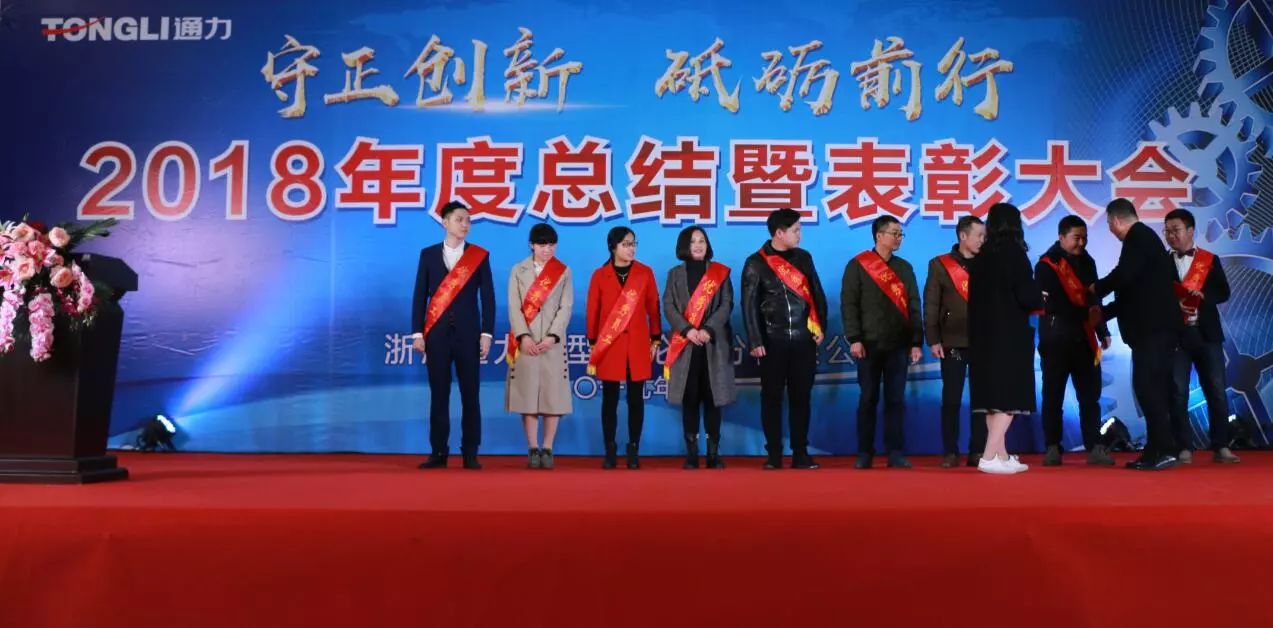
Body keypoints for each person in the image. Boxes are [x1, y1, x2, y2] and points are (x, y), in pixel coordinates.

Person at [1093, 198, 1184, 471]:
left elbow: (1123, 276)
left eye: (1109, 224)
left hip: (1154, 330)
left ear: (1116, 220)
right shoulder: (1143, 240)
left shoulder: (1138, 237)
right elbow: (1131, 292)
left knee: (1149, 388)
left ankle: (1163, 450)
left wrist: (1095, 289)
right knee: (1150, 389)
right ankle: (1157, 450)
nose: (1111, 230)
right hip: (1154, 330)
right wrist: (1104, 313)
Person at [741, 208, 828, 470]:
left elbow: (817, 293)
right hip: (772, 342)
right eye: (795, 231)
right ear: (779, 233)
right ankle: (774, 454)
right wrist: (755, 340)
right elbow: (749, 305)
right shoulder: (756, 262)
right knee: (772, 398)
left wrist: (820, 326)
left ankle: (800, 452)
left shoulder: (804, 258)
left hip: (803, 339)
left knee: (801, 398)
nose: (800, 235)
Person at [411, 201, 495, 470]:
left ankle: (470, 452)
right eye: (459, 219)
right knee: (439, 394)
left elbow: (488, 297)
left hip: (469, 335)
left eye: (468, 220)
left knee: (471, 394)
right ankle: (438, 451)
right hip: (436, 336)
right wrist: (417, 333)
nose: (465, 225)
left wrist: (487, 333)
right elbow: (419, 296)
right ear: (445, 222)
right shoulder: (428, 255)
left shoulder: (478, 256)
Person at [842, 215, 923, 470]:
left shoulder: (904, 268)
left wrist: (916, 341)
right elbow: (849, 304)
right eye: (894, 233)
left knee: (896, 399)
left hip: (898, 344)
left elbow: (914, 305)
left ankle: (895, 452)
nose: (899, 238)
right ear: (879, 236)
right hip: (868, 344)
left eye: (900, 234)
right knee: (868, 398)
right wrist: (854, 338)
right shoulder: (858, 266)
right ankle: (865, 452)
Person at [968, 203, 1043, 475]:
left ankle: (1001, 454)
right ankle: (989, 456)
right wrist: (1040, 296)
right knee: (1009, 396)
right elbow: (1027, 296)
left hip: (982, 335)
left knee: (993, 399)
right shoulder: (1015, 255)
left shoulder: (981, 257)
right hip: (1008, 335)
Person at [1035, 216, 1115, 466]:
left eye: (1084, 238)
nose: (1081, 243)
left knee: (1090, 396)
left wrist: (1102, 330)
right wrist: (1087, 316)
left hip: (1085, 339)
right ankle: (1052, 447)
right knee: (1053, 396)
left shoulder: (1088, 262)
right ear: (1061, 237)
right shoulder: (1046, 265)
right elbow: (1053, 304)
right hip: (1056, 338)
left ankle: (1095, 446)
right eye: (1076, 238)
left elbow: (1094, 301)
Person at [1163, 208, 1240, 464]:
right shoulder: (1161, 263)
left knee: (1216, 390)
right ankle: (1183, 446)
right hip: (1177, 336)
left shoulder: (1209, 259)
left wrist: (1204, 297)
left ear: (1190, 230)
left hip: (1207, 334)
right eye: (1167, 231)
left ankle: (1221, 446)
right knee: (1177, 392)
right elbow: (1155, 297)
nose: (1171, 236)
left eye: (1175, 230)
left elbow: (1224, 291)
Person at [586, 227, 661, 469]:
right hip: (609, 345)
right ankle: (610, 449)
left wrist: (655, 339)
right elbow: (592, 310)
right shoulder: (600, 275)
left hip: (638, 343)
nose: (631, 249)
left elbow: (653, 308)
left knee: (636, 398)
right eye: (626, 244)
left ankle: (633, 448)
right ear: (613, 247)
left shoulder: (644, 273)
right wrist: (593, 342)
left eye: (633, 244)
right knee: (609, 399)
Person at [664, 227, 737, 469]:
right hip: (686, 345)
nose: (697, 245)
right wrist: (687, 330)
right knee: (690, 399)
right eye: (692, 241)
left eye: (702, 241)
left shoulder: (720, 273)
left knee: (713, 398)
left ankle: (713, 454)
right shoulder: (674, 274)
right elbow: (669, 306)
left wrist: (707, 329)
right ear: (684, 246)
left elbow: (726, 304)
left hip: (713, 344)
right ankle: (692, 454)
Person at [505, 224, 574, 470]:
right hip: (526, 342)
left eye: (552, 245)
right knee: (528, 395)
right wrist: (523, 336)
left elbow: (566, 307)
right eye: (542, 244)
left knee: (552, 397)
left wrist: (553, 336)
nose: (547, 249)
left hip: (552, 343)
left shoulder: (563, 271)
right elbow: (514, 306)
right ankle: (533, 447)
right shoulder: (518, 270)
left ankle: (548, 447)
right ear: (531, 245)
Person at [923, 215, 988, 468]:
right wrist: (933, 338)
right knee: (951, 398)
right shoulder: (940, 264)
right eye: (978, 236)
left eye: (984, 236)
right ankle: (950, 451)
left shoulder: (988, 263)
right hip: (951, 341)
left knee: (982, 400)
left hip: (983, 341)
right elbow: (931, 303)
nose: (982, 240)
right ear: (963, 236)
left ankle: (977, 450)